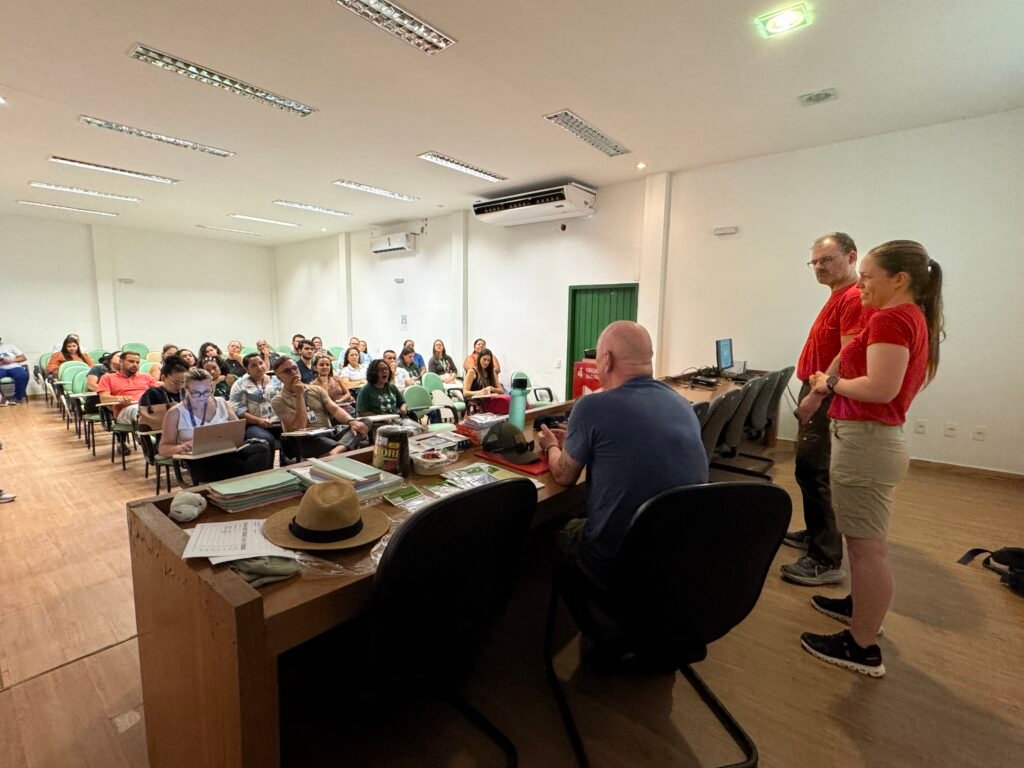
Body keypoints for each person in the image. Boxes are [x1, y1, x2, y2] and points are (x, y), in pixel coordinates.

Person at [799, 241, 944, 678]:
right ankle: (860, 609)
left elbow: (880, 388)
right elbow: (852, 354)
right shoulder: (900, 315)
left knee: (866, 551)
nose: (860, 284)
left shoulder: (892, 319)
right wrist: (822, 386)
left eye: (867, 276)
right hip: (869, 441)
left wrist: (829, 384)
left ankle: (861, 646)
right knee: (864, 544)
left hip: (866, 441)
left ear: (899, 280)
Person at [537, 321, 707, 585]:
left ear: (606, 360)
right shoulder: (682, 404)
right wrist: (577, 439)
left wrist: (551, 446)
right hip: (676, 555)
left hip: (616, 563)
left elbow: (563, 475)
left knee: (548, 529)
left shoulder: (591, 407)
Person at [782, 233, 876, 588]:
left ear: (851, 257)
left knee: (815, 472)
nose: (819, 267)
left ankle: (825, 559)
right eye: (815, 262)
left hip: (825, 395)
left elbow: (847, 355)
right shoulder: (838, 296)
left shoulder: (851, 298)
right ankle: (817, 533)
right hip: (818, 389)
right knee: (810, 471)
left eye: (827, 259)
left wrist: (818, 394)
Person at [159, 368, 274, 484]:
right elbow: (163, 449)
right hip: (201, 458)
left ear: (212, 387)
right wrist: (183, 447)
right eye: (196, 393)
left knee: (262, 448)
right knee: (238, 467)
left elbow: (238, 430)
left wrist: (230, 437)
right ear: (186, 389)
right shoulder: (175, 413)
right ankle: (249, 484)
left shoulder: (221, 402)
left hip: (228, 451)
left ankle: (247, 484)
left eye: (206, 392)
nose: (202, 397)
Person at [270, 357, 369, 459]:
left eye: (295, 368)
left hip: (328, 433)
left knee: (364, 422)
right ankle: (342, 447)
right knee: (317, 441)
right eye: (287, 371)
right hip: (306, 440)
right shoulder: (278, 400)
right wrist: (299, 395)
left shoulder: (316, 389)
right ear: (279, 377)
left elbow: (335, 409)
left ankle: (335, 451)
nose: (293, 372)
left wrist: (351, 421)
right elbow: (300, 425)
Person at [229, 352, 284, 458]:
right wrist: (258, 421)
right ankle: (268, 468)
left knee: (293, 434)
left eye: (261, 363)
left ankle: (289, 464)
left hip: (279, 422)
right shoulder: (240, 385)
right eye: (253, 365)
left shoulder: (277, 380)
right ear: (247, 369)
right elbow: (238, 410)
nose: (259, 367)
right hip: (254, 425)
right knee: (266, 439)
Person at [96, 350, 158, 424]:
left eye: (137, 362)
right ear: (121, 362)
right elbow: (103, 398)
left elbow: (157, 393)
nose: (135, 365)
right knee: (140, 410)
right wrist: (120, 398)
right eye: (131, 361)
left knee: (166, 410)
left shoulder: (146, 377)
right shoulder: (107, 378)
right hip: (125, 410)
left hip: (147, 406)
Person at [138, 355, 188, 430]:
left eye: (183, 382)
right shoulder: (152, 394)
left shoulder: (186, 392)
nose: (180, 386)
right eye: (176, 382)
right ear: (163, 378)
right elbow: (145, 418)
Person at [463, 348, 506, 413]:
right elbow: (465, 393)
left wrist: (492, 389)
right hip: (476, 404)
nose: (486, 362)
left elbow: (501, 390)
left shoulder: (492, 372)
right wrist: (480, 392)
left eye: (489, 360)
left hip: (490, 402)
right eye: (484, 359)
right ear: (479, 358)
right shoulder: (472, 372)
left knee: (505, 403)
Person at [0, 336, 29, 404]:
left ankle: (17, 398)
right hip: (1, 368)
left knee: (22, 375)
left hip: (14, 366)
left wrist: (11, 360)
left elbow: (23, 358)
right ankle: (1, 398)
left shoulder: (10, 346)